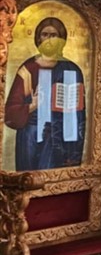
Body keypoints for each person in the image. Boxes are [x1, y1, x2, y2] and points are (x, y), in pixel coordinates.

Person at [5, 17, 86, 171]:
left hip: (61, 134)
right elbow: (10, 112)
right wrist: (31, 106)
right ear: (38, 38)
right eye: (45, 34)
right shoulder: (28, 69)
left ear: (61, 39)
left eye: (53, 35)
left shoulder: (71, 69)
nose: (48, 39)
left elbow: (79, 115)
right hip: (31, 134)